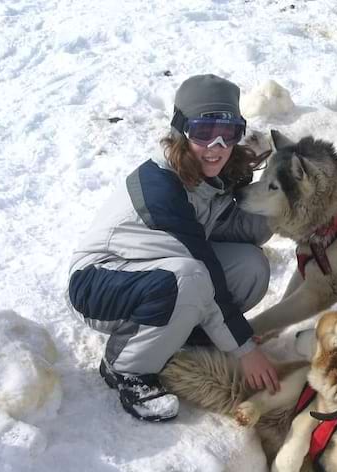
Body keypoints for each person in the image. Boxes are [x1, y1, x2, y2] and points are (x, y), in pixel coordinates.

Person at [66, 74, 279, 422]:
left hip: (155, 275)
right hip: (98, 283)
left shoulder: (211, 178)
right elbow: (203, 266)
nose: (218, 145)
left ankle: (175, 338)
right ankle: (125, 368)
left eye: (229, 132)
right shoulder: (161, 188)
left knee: (250, 266)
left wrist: (286, 206)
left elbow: (235, 230)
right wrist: (245, 350)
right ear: (181, 131)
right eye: (204, 132)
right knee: (193, 277)